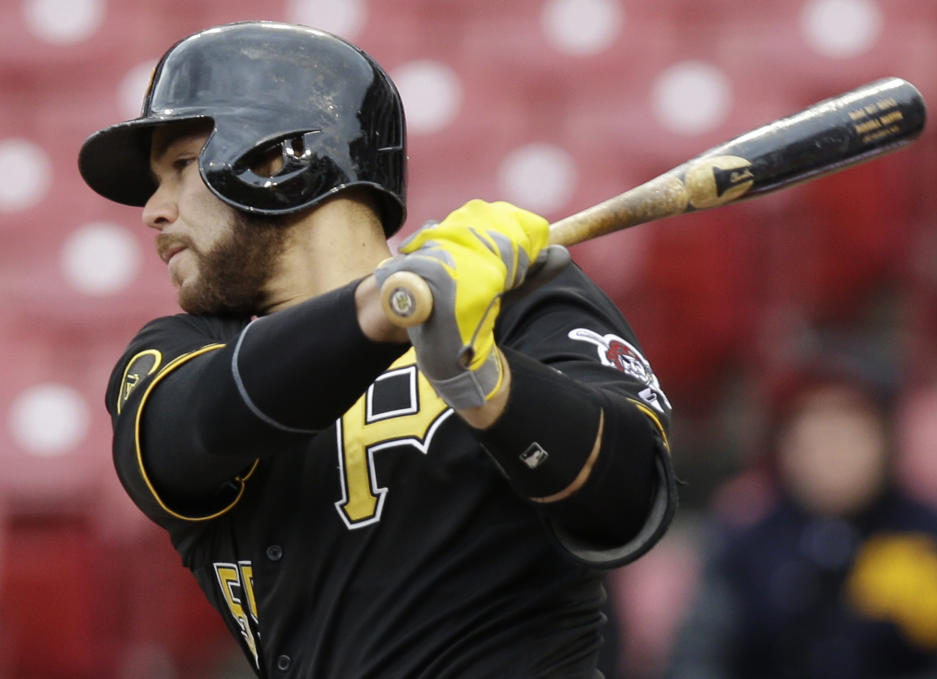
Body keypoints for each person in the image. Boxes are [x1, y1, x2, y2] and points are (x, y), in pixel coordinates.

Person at [78, 21, 677, 678]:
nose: (152, 210)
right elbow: (194, 429)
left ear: (278, 160)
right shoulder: (184, 352)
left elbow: (630, 497)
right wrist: (388, 306)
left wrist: (487, 381)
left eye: (181, 167)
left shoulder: (517, 301)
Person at [663, 357, 937, 679]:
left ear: (886, 441)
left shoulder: (936, 539)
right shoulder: (747, 541)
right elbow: (699, 655)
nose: (832, 455)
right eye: (815, 438)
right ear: (784, 448)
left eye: (850, 436)